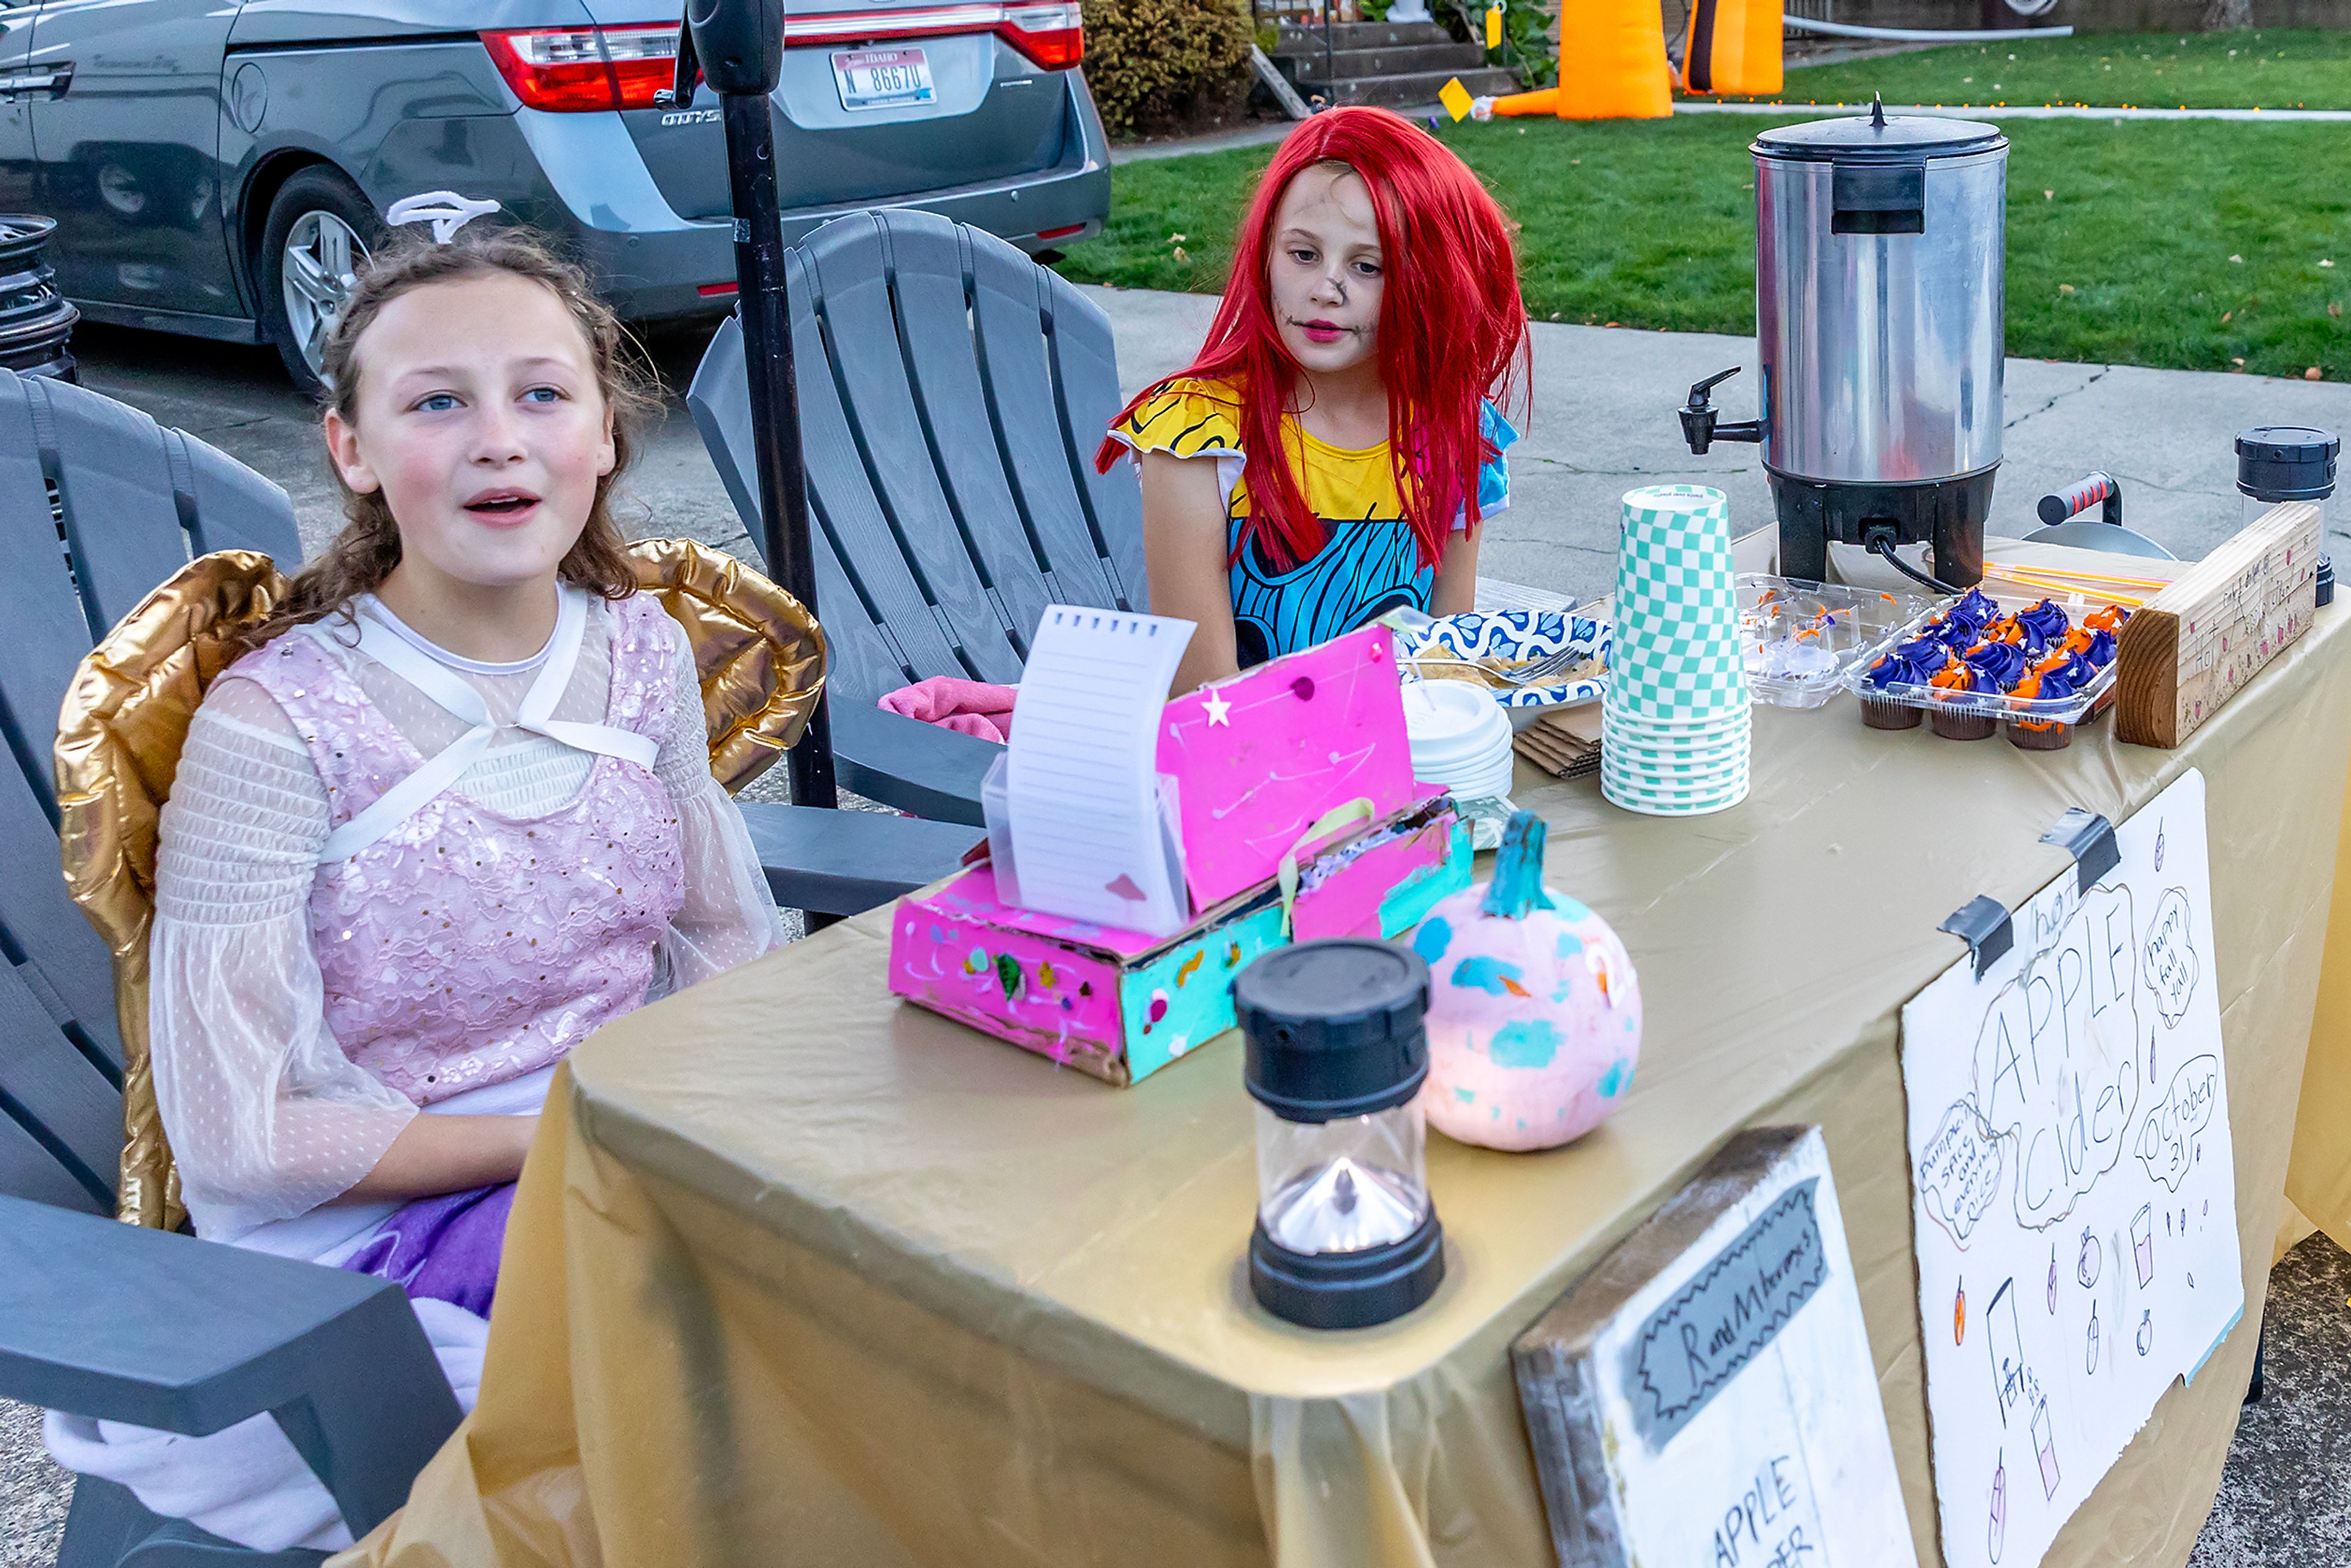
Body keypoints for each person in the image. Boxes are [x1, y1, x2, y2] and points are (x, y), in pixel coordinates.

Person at [44, 224, 782, 1553]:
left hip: (623, 1144)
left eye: (541, 392)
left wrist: (683, 1114)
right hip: (371, 1234)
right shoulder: (283, 729)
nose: (499, 436)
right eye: (437, 400)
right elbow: (240, 1140)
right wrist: (567, 1130)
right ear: (353, 451)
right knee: (730, 1384)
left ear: (604, 433)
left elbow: (728, 938)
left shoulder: (640, 656)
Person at [1098, 106, 1531, 695]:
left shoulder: (1454, 431)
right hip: (1242, 769)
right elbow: (1204, 699)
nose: (1326, 289)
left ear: (1429, 280)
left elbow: (1448, 665)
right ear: (1265, 255)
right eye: (1303, 255)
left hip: (1410, 766)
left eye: (1367, 265)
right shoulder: (1197, 436)